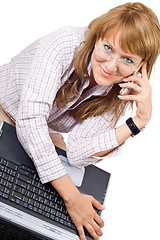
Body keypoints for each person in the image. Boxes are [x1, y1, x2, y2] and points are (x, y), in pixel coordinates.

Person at [0, 2, 160, 240]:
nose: (111, 66)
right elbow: (30, 118)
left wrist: (137, 121)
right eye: (108, 48)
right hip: (5, 108)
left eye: (127, 60)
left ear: (140, 68)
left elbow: (78, 154)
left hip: (40, 128)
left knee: (46, 214)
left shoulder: (119, 89)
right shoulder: (64, 44)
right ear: (97, 38)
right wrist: (72, 198)